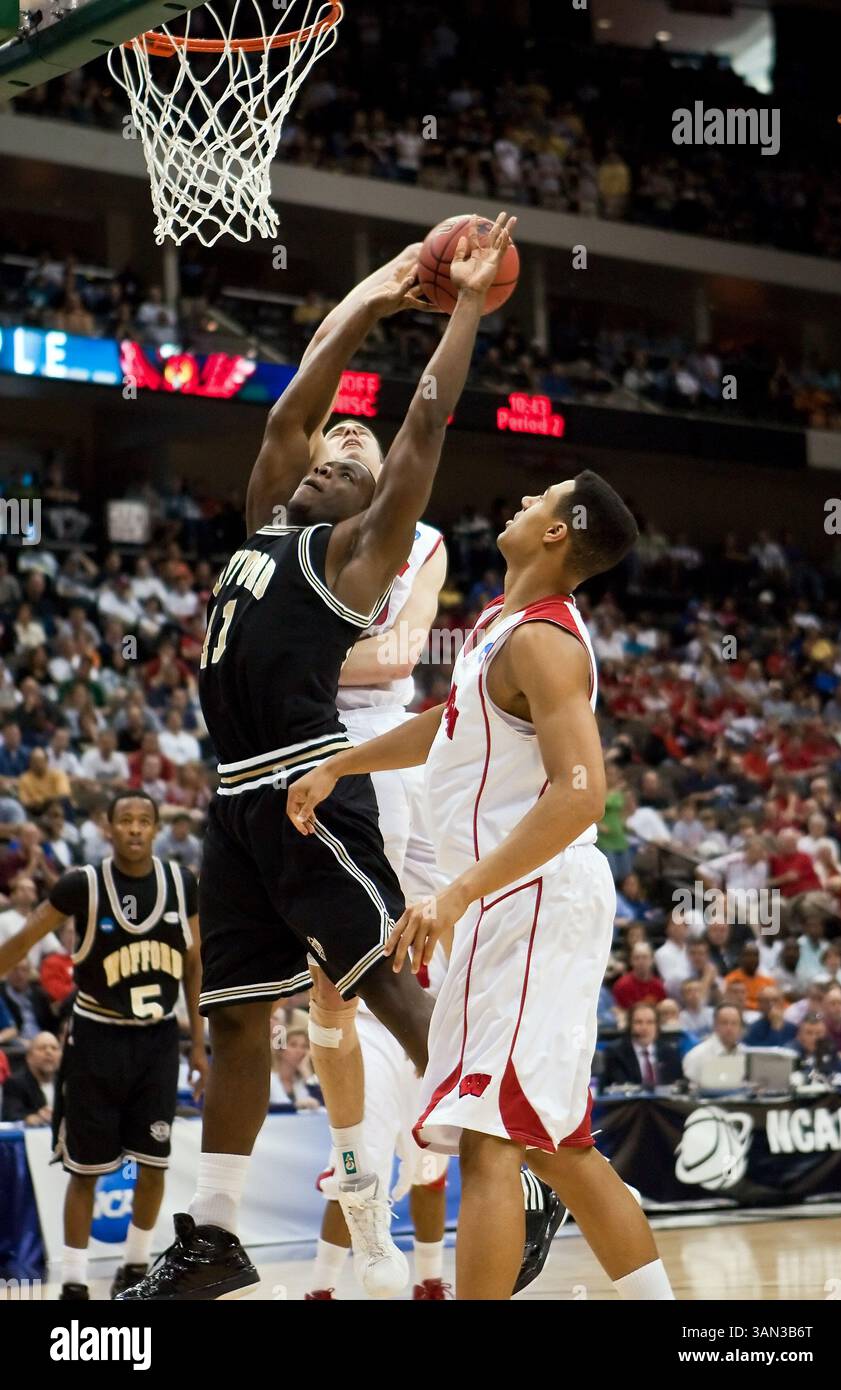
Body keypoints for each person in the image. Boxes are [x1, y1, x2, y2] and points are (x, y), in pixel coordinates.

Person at [120, 218, 521, 1303]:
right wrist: (376, 294)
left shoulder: (351, 557)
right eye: (332, 445)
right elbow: (299, 395)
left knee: (379, 984)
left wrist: (467, 311)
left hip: (305, 788)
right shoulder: (260, 520)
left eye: (356, 454)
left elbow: (425, 425)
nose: (336, 447)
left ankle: (503, 1157)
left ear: (370, 501)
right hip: (232, 799)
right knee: (237, 1016)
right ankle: (215, 1234)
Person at [289, 469, 675, 1301]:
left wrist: (458, 892)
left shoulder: (545, 641)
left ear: (557, 532)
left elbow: (581, 794)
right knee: (557, 1146)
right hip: (505, 902)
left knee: (488, 1136)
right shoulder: (499, 627)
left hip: (533, 897)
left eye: (538, 497)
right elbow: (442, 726)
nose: (519, 498)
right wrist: (343, 763)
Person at [306, 495, 451, 1301]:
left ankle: (503, 1121)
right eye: (336, 439)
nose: (351, 446)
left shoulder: (423, 542)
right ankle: (347, 1254)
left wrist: (309, 650)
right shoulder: (297, 536)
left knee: (454, 917)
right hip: (331, 742)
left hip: (400, 735)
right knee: (352, 954)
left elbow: (398, 657)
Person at [0, 790, 206, 1301]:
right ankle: (73, 1279)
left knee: (154, 1161)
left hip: (159, 1039)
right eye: (126, 820)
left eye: (144, 820)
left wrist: (199, 1044)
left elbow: (195, 964)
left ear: (155, 829)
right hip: (97, 1038)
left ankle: (135, 1268)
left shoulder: (182, 885)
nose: (135, 828)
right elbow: (25, 940)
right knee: (85, 1168)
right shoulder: (82, 885)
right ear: (108, 828)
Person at [602, 1003, 683, 1090]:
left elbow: (677, 1086)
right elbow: (620, 1086)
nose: (644, 1028)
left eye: (650, 1022)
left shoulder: (670, 1053)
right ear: (630, 1026)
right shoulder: (616, 1053)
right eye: (638, 1022)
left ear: (657, 1026)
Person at [1, 1031, 61, 1124]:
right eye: (42, 1048)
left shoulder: (68, 1084)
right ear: (29, 1056)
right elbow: (11, 1115)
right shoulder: (15, 1083)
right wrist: (33, 1118)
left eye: (54, 1048)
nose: (49, 1052)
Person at [682, 1003, 747, 1088]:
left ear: (740, 1027)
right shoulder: (696, 1055)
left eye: (734, 1023)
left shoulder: (747, 1054)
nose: (729, 1028)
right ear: (715, 1026)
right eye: (724, 1023)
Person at [722, 941, 776, 1012]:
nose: (752, 959)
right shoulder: (731, 979)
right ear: (741, 958)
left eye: (755, 955)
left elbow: (774, 1002)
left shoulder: (768, 981)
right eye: (748, 955)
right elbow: (731, 1002)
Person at [612, 941, 667, 1011]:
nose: (641, 961)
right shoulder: (621, 986)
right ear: (631, 961)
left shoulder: (659, 986)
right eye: (637, 958)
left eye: (645, 957)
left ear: (652, 960)